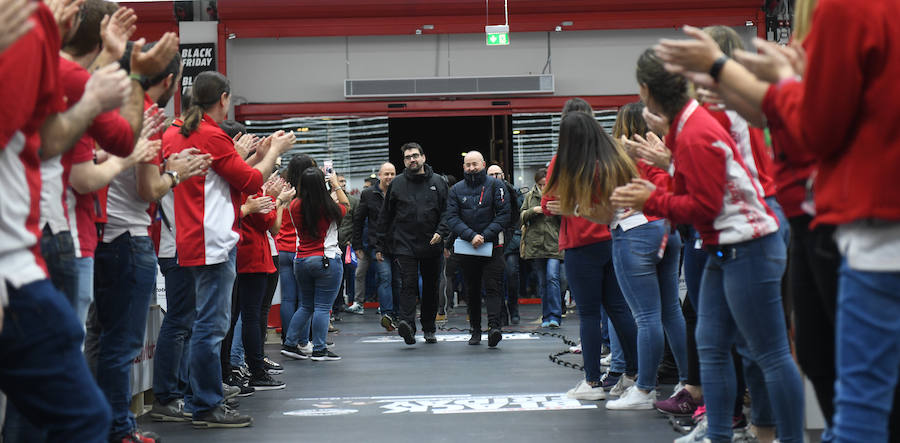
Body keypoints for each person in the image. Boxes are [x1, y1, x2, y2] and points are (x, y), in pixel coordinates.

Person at [610, 48, 803, 442]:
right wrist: (658, 187)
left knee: (767, 354)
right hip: (725, 247)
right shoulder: (687, 126)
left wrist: (651, 199)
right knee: (712, 347)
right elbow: (694, 190)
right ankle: (718, 434)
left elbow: (703, 206)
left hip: (751, 247)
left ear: (646, 91)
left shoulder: (695, 131)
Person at [166, 70, 295, 428]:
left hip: (193, 238)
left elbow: (228, 182)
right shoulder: (209, 134)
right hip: (214, 241)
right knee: (211, 327)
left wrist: (257, 155)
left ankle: (200, 397)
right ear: (223, 99)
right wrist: (274, 153)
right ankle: (206, 404)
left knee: (201, 325)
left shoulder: (176, 133)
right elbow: (252, 182)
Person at [542, 105, 639, 402]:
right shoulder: (611, 159)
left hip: (579, 245)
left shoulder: (562, 162)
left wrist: (565, 206)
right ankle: (636, 376)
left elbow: (547, 204)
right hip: (614, 239)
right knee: (620, 310)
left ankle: (593, 382)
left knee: (588, 314)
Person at [604, 102, 689, 411]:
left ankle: (644, 389)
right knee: (671, 311)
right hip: (667, 230)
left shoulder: (616, 158)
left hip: (633, 233)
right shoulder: (659, 151)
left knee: (647, 317)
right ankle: (686, 381)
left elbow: (602, 206)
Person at [376, 143, 449, 345]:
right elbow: (386, 215)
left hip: (432, 242)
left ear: (424, 157)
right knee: (407, 284)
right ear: (405, 161)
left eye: (415, 156)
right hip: (404, 243)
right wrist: (380, 245)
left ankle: (429, 328)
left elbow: (447, 212)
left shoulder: (438, 182)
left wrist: (441, 233)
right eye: (408, 157)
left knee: (430, 287)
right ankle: (407, 324)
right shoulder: (397, 184)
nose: (412, 160)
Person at [281, 167, 349, 361]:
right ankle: (319, 348)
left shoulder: (294, 205)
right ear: (322, 185)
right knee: (322, 306)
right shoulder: (328, 208)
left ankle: (290, 343)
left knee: (305, 306)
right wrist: (335, 184)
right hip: (326, 258)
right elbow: (346, 205)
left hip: (301, 259)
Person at [445, 150, 509, 347]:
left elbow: (504, 214)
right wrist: (471, 236)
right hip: (467, 247)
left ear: (483, 164)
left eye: (475, 164)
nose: (472, 168)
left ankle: (494, 328)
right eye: (468, 164)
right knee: (471, 290)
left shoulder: (497, 185)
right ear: (463, 167)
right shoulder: (455, 189)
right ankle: (475, 330)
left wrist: (485, 236)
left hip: (492, 246)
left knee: (493, 287)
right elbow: (452, 218)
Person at [275, 154, 317, 344]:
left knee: (288, 299)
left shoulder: (282, 190)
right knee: (305, 300)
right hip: (302, 249)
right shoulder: (308, 194)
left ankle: (287, 338)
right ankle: (302, 340)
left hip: (282, 247)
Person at [350, 162, 397, 329]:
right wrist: (357, 245)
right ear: (379, 175)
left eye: (392, 174)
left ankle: (397, 314)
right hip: (376, 245)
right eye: (386, 174)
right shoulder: (368, 194)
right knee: (385, 277)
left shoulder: (399, 191)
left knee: (398, 280)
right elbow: (358, 220)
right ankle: (387, 314)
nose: (389, 177)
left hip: (399, 244)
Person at [520, 167, 564, 328]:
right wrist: (534, 210)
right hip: (536, 244)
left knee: (553, 277)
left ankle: (555, 315)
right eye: (541, 184)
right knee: (543, 282)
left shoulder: (558, 195)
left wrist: (556, 209)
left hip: (553, 243)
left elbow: (566, 218)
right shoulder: (530, 196)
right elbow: (521, 216)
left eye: (546, 183)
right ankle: (546, 316)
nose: (544, 187)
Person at [487, 164, 522, 326]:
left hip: (510, 241)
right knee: (494, 280)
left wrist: (514, 237)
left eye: (497, 174)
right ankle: (501, 313)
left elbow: (518, 215)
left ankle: (514, 309)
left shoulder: (512, 190)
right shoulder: (482, 191)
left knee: (512, 275)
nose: (494, 177)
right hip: (492, 241)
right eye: (491, 174)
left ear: (503, 175)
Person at [335, 173, 359, 314]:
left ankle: (346, 301)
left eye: (344, 181)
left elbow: (357, 223)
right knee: (337, 277)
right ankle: (337, 304)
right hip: (332, 244)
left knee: (348, 275)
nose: (343, 183)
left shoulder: (353, 201)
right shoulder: (329, 199)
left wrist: (353, 241)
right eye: (340, 181)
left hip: (347, 244)